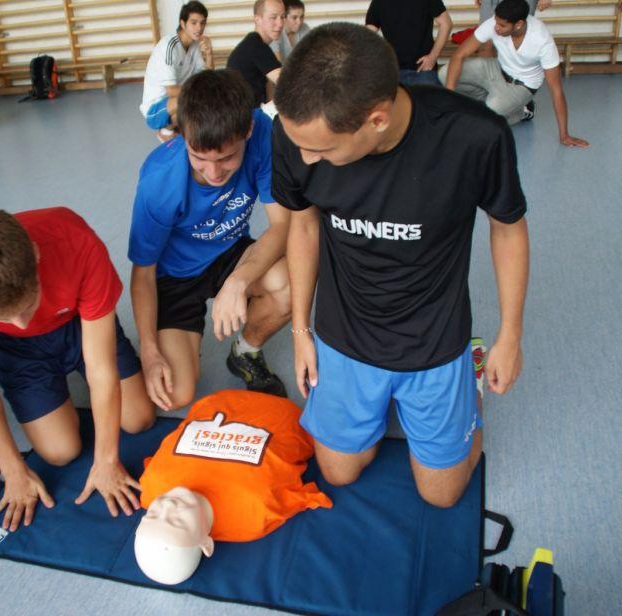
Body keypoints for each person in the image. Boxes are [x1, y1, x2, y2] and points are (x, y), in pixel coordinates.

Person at [272, 24, 529, 508]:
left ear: (377, 119)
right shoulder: (296, 131)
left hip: (433, 335)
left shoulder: (474, 136)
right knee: (339, 473)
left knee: (442, 496)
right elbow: (303, 226)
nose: (305, 158)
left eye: (321, 150)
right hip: (346, 328)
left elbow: (508, 228)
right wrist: (301, 331)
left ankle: (466, 388)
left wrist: (510, 336)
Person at [0, 207, 155, 531]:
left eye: (27, 305)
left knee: (138, 418)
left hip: (77, 322)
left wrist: (106, 460)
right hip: (16, 350)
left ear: (35, 254)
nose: (21, 322)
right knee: (60, 452)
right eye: (5, 317)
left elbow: (101, 366)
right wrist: (12, 469)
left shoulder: (76, 241)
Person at [129, 69, 291, 412]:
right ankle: (169, 341)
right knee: (176, 395)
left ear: (247, 131)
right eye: (199, 158)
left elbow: (282, 226)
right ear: (183, 135)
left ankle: (245, 351)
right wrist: (149, 351)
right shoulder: (158, 181)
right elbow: (142, 273)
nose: (213, 173)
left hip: (229, 252)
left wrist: (238, 281)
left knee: (290, 282)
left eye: (227, 158)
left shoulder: (262, 131)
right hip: (174, 277)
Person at [135, 390, 331, 585]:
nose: (167, 505)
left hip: (216, 400)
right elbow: (301, 497)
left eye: (152, 514)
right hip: (281, 411)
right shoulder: (254, 513)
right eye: (177, 522)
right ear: (206, 544)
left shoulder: (152, 485)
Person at [441, 0, 588, 147]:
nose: (496, 28)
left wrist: (564, 135)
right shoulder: (495, 23)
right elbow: (459, 55)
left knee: (490, 112)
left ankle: (523, 110)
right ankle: (490, 101)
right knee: (445, 74)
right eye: (496, 22)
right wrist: (448, 97)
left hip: (522, 86)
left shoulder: (542, 40)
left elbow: (556, 90)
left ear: (518, 24)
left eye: (502, 26)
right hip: (497, 70)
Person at [140, 1, 214, 141]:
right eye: (194, 23)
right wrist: (201, 93)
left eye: (202, 23)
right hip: (155, 110)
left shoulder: (194, 44)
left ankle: (177, 127)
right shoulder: (169, 46)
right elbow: (171, 91)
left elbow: (207, 77)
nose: (199, 28)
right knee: (198, 98)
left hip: (176, 101)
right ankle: (166, 131)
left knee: (205, 94)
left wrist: (209, 54)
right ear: (183, 23)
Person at [366, 0, 453, 86]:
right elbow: (367, 35)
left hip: (422, 69)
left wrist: (433, 57)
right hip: (393, 71)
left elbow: (446, 24)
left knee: (433, 95)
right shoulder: (379, 2)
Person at [226, 0, 284, 106]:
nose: (280, 24)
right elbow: (287, 82)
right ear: (258, 19)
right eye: (273, 17)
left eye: (282, 17)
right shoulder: (255, 45)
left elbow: (271, 88)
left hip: (247, 110)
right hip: (243, 113)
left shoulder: (255, 43)